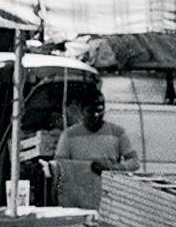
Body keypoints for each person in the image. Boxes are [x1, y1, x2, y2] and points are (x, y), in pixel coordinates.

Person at [48, 82, 138, 210]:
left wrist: (112, 168)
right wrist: (85, 168)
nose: (96, 115)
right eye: (90, 111)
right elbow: (59, 166)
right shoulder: (68, 135)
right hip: (78, 201)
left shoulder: (118, 133)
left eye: (99, 111)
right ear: (81, 111)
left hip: (108, 200)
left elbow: (134, 162)